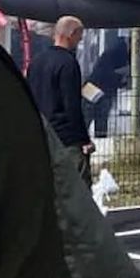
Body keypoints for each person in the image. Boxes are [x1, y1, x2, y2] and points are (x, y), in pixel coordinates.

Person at [26, 15, 94, 185]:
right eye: (79, 36)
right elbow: (72, 105)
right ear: (71, 34)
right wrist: (83, 139)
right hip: (66, 137)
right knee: (77, 186)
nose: (80, 40)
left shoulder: (36, 61)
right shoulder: (68, 63)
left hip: (41, 134)